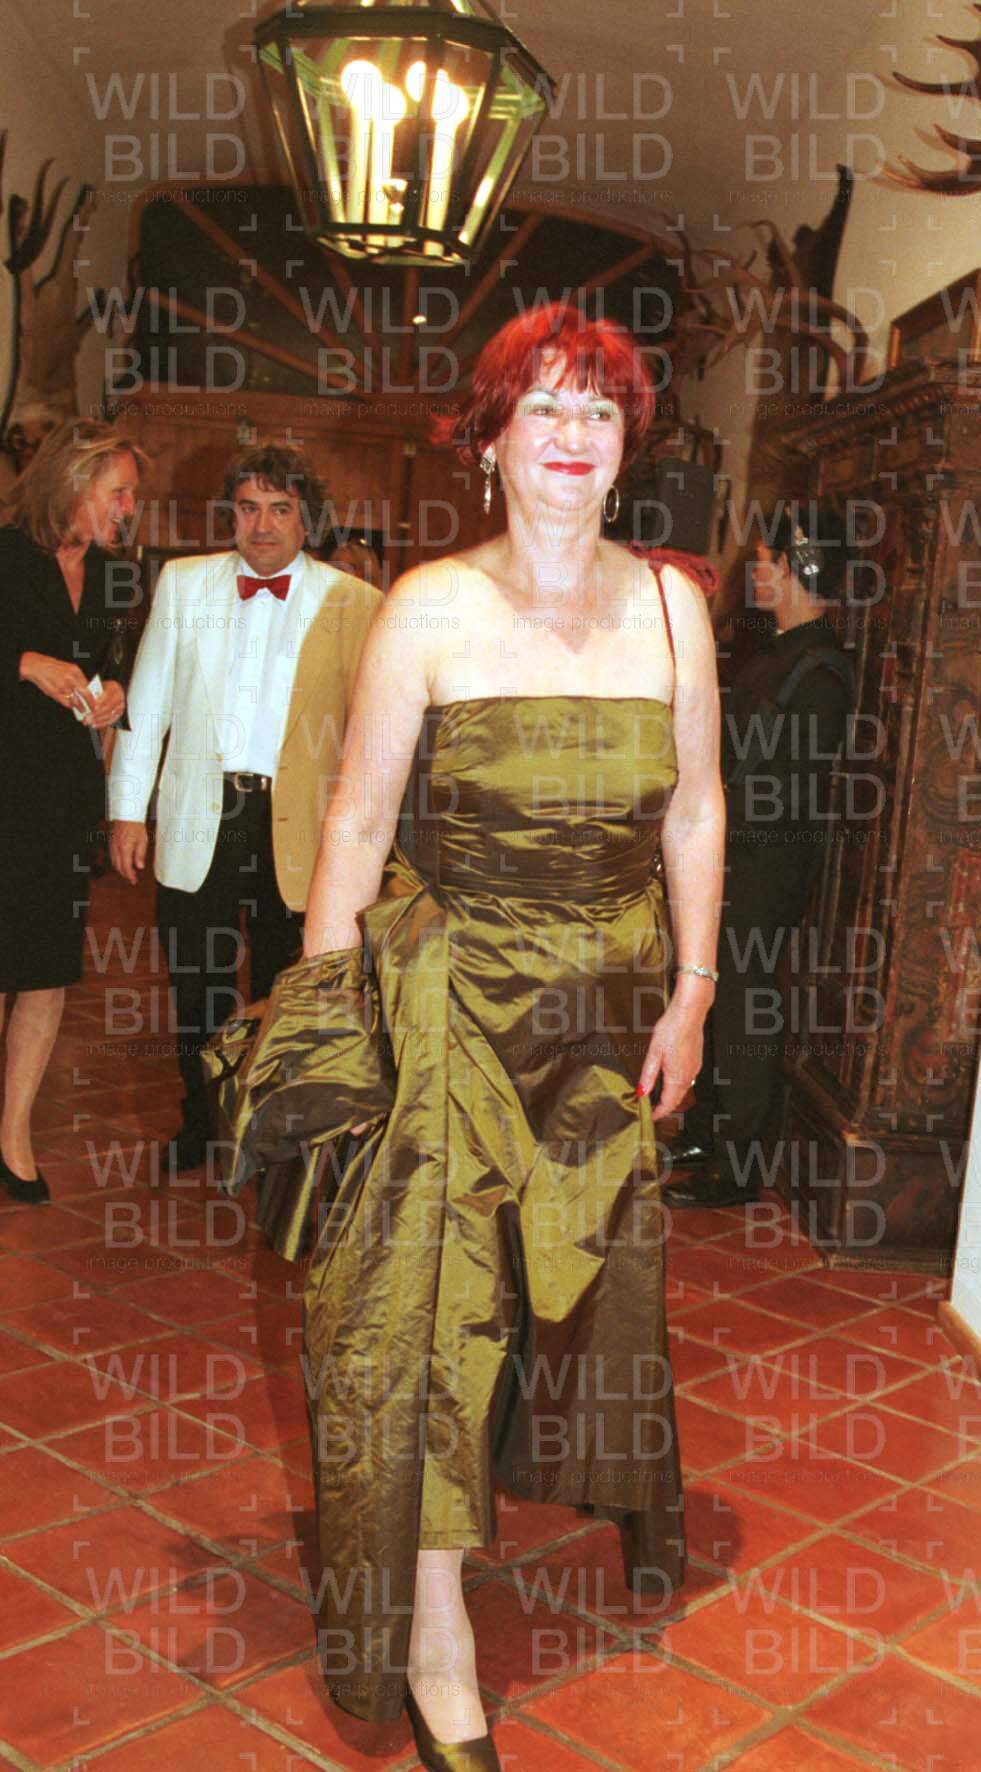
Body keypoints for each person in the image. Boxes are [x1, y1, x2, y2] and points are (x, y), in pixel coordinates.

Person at [210, 303, 724, 1769]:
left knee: (586, 1279)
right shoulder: (428, 608)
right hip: (452, 1008)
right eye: (541, 408)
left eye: (599, 412)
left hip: (606, 1016)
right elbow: (357, 821)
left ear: (626, 447)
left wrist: (694, 988)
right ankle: (435, 1633)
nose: (570, 436)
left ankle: (604, 1492)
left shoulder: (673, 609)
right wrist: (332, 1028)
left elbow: (694, 807)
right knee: (427, 1315)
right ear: (490, 439)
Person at [107, 443, 382, 1172]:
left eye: (280, 509)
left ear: (306, 520)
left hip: (299, 828)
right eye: (249, 507)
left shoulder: (354, 602)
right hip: (201, 815)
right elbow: (147, 706)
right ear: (230, 515)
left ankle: (270, 1133)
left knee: (284, 988)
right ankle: (200, 1122)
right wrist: (127, 812)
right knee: (195, 981)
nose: (262, 525)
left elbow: (372, 733)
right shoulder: (183, 583)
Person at [665, 502, 854, 1209]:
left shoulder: (820, 669)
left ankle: (738, 1164)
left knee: (746, 1006)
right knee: (716, 1000)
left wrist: (722, 831)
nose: (757, 573)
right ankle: (708, 1132)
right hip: (731, 852)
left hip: (764, 862)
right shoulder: (771, 653)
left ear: (801, 566)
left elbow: (787, 787)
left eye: (768, 561)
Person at [0, 418, 143, 1203]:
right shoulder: (5, 555)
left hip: (62, 797)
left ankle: (13, 1135)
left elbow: (120, 661)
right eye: (117, 491)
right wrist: (23, 663)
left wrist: (116, 690)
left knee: (46, 971)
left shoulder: (118, 575)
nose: (128, 507)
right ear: (73, 481)